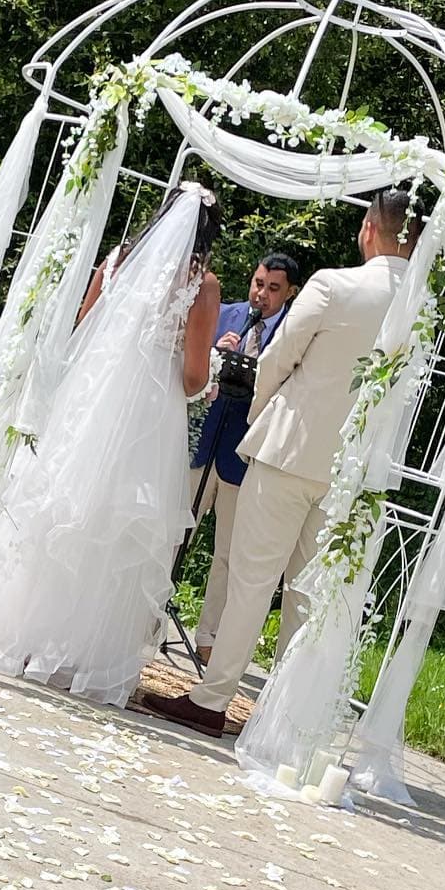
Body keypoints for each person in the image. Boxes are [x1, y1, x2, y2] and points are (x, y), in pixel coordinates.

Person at [142, 186, 415, 738]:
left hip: (289, 451)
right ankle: (286, 716)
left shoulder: (333, 285)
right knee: (310, 592)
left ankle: (213, 698)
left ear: (368, 229)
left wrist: (267, 417)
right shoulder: (425, 307)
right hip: (354, 472)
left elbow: (275, 360)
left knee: (250, 577)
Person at [0, 184, 222, 705]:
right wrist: (209, 375)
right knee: (116, 526)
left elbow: (84, 326)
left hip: (91, 399)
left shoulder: (119, 260)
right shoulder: (203, 285)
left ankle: (24, 634)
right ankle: (84, 653)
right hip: (149, 414)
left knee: (65, 508)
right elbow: (192, 376)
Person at [187, 252, 299, 661]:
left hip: (244, 456)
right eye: (257, 283)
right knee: (177, 531)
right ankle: (147, 616)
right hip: (202, 444)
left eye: (272, 289)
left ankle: (209, 638)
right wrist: (216, 352)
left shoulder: (293, 335)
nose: (261, 295)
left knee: (228, 554)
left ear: (290, 293)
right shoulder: (226, 314)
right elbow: (193, 368)